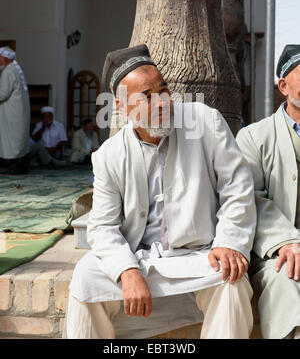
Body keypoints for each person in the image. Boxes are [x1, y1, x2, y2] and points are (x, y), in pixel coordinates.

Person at [63, 44, 256, 340]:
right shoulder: (109, 155)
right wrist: (127, 270)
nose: (163, 102)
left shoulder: (204, 121)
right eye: (147, 96)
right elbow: (101, 226)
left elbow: (237, 186)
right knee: (86, 278)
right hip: (139, 257)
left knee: (231, 281)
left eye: (163, 90)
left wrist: (229, 241)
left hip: (201, 255)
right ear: (121, 106)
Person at [236, 44, 300, 339]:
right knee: (284, 278)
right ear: (284, 86)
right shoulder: (253, 137)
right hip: (277, 251)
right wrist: (287, 241)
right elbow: (250, 199)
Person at [0, 46, 30, 174]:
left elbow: (3, 94)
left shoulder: (8, 71)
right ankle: (20, 165)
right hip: (16, 111)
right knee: (17, 138)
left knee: (12, 139)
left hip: (12, 112)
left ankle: (15, 167)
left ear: (5, 58)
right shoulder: (15, 69)